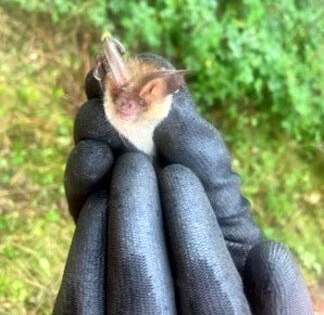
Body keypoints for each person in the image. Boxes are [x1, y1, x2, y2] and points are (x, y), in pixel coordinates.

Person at [53, 53, 313, 315]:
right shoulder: (117, 96)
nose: (125, 106)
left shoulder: (157, 104)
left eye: (133, 102)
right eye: (121, 99)